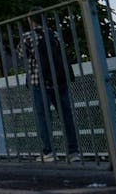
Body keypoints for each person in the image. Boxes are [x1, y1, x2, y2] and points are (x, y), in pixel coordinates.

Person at [22, 15, 81, 162]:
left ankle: (49, 152)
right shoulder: (55, 35)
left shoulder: (28, 36)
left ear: (31, 20)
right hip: (59, 80)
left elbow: (22, 55)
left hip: (39, 80)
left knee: (43, 116)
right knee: (66, 115)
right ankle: (73, 152)